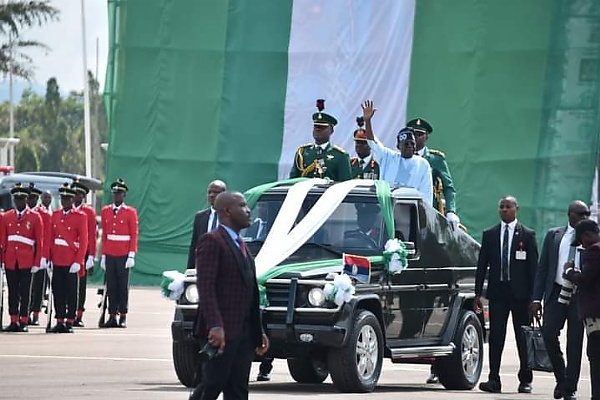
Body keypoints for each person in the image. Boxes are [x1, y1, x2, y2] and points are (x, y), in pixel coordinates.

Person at [190, 191, 269, 400]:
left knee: (238, 389)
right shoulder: (212, 241)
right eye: (242, 206)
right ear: (226, 211)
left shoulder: (241, 245)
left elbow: (249, 291)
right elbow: (206, 287)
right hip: (221, 333)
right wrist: (215, 326)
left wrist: (257, 330)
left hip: (243, 334)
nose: (248, 210)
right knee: (211, 385)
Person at [474, 195, 538, 393]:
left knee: (522, 336)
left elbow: (533, 268)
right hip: (498, 293)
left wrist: (535, 298)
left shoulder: (527, 234)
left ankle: (525, 379)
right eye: (501, 207)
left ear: (516, 209)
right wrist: (478, 293)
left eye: (508, 207)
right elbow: (482, 265)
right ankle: (494, 379)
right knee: (496, 337)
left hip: (521, 295)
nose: (504, 210)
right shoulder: (490, 234)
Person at [530, 200, 589, 400]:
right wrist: (536, 298)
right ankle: (561, 378)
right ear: (570, 214)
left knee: (575, 342)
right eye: (580, 214)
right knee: (548, 335)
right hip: (555, 293)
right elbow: (543, 268)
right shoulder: (554, 235)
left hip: (579, 296)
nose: (584, 218)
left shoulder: (590, 239)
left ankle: (570, 388)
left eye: (587, 215)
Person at [361, 100, 433, 205]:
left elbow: (426, 196)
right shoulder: (388, 157)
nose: (409, 146)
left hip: (411, 211)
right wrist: (367, 121)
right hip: (387, 208)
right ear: (398, 146)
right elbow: (372, 141)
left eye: (412, 143)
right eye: (406, 144)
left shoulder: (422, 164)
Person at [564, 219, 600, 400]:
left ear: (586, 236)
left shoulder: (594, 250)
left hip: (596, 316)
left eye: (581, 241)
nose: (582, 245)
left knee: (595, 357)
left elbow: (585, 279)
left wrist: (569, 272)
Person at [0, 183, 43, 332]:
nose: (18, 202)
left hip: (26, 260)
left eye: (21, 199)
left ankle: (24, 320)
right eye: (16, 199)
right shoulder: (7, 216)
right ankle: (13, 319)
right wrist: (2, 260)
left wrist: (38, 262)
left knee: (25, 291)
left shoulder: (35, 217)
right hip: (11, 259)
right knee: (12, 291)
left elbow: (39, 241)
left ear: (26, 200)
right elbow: (3, 241)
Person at [47, 183, 88, 333]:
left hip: (71, 260)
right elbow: (50, 238)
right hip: (57, 258)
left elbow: (84, 241)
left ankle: (70, 321)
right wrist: (48, 258)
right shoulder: (56, 215)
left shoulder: (80, 216)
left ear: (72, 200)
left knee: (71, 292)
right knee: (57, 291)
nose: (64, 201)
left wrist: (78, 261)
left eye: (67, 199)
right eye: (63, 198)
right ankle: (59, 320)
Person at [100, 178, 138, 328]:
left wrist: (131, 254)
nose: (116, 196)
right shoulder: (105, 211)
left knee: (122, 286)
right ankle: (111, 315)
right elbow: (105, 235)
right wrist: (103, 254)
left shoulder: (130, 212)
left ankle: (122, 315)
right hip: (110, 253)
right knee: (111, 286)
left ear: (124, 196)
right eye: (115, 193)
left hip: (123, 254)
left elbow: (134, 234)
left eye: (119, 194)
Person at [408, 117, 460, 228]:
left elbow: (448, 187)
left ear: (426, 137)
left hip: (429, 209)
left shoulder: (435, 159)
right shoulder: (403, 157)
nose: (415, 138)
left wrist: (451, 211)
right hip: (405, 207)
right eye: (413, 134)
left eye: (419, 134)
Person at [289, 99, 352, 181]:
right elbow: (293, 180)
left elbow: (345, 185)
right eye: (316, 126)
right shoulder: (303, 153)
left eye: (322, 127)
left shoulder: (340, 156)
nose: (318, 130)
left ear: (331, 130)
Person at [71, 179, 97, 327]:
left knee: (81, 285)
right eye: (74, 193)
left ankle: (79, 314)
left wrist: (91, 256)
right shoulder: (67, 210)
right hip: (68, 252)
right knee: (68, 285)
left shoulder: (88, 211)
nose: (75, 197)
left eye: (78, 194)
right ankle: (68, 312)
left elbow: (92, 235)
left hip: (83, 252)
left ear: (83, 196)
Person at [187, 180, 227, 270]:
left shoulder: (230, 216)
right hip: (204, 264)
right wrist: (190, 269)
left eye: (216, 192)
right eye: (209, 192)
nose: (212, 195)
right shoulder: (200, 217)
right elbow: (194, 244)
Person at [27, 183, 52, 326]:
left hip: (39, 255)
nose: (31, 201)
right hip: (25, 255)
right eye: (29, 198)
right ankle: (24, 312)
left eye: (34, 199)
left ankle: (35, 313)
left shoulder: (43, 214)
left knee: (38, 287)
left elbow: (46, 237)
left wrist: (44, 256)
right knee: (23, 288)